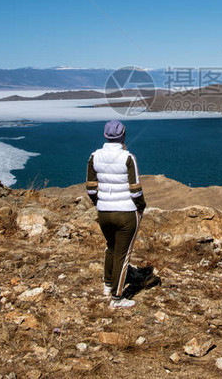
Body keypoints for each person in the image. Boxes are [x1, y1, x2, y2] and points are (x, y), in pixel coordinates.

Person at [85, 120, 146, 308]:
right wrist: (141, 207)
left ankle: (107, 284)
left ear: (105, 135)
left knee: (110, 247)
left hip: (104, 212)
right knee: (123, 253)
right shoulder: (128, 158)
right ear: (123, 136)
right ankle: (117, 298)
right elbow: (135, 189)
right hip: (126, 213)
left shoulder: (94, 156)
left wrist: (100, 203)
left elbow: (90, 187)